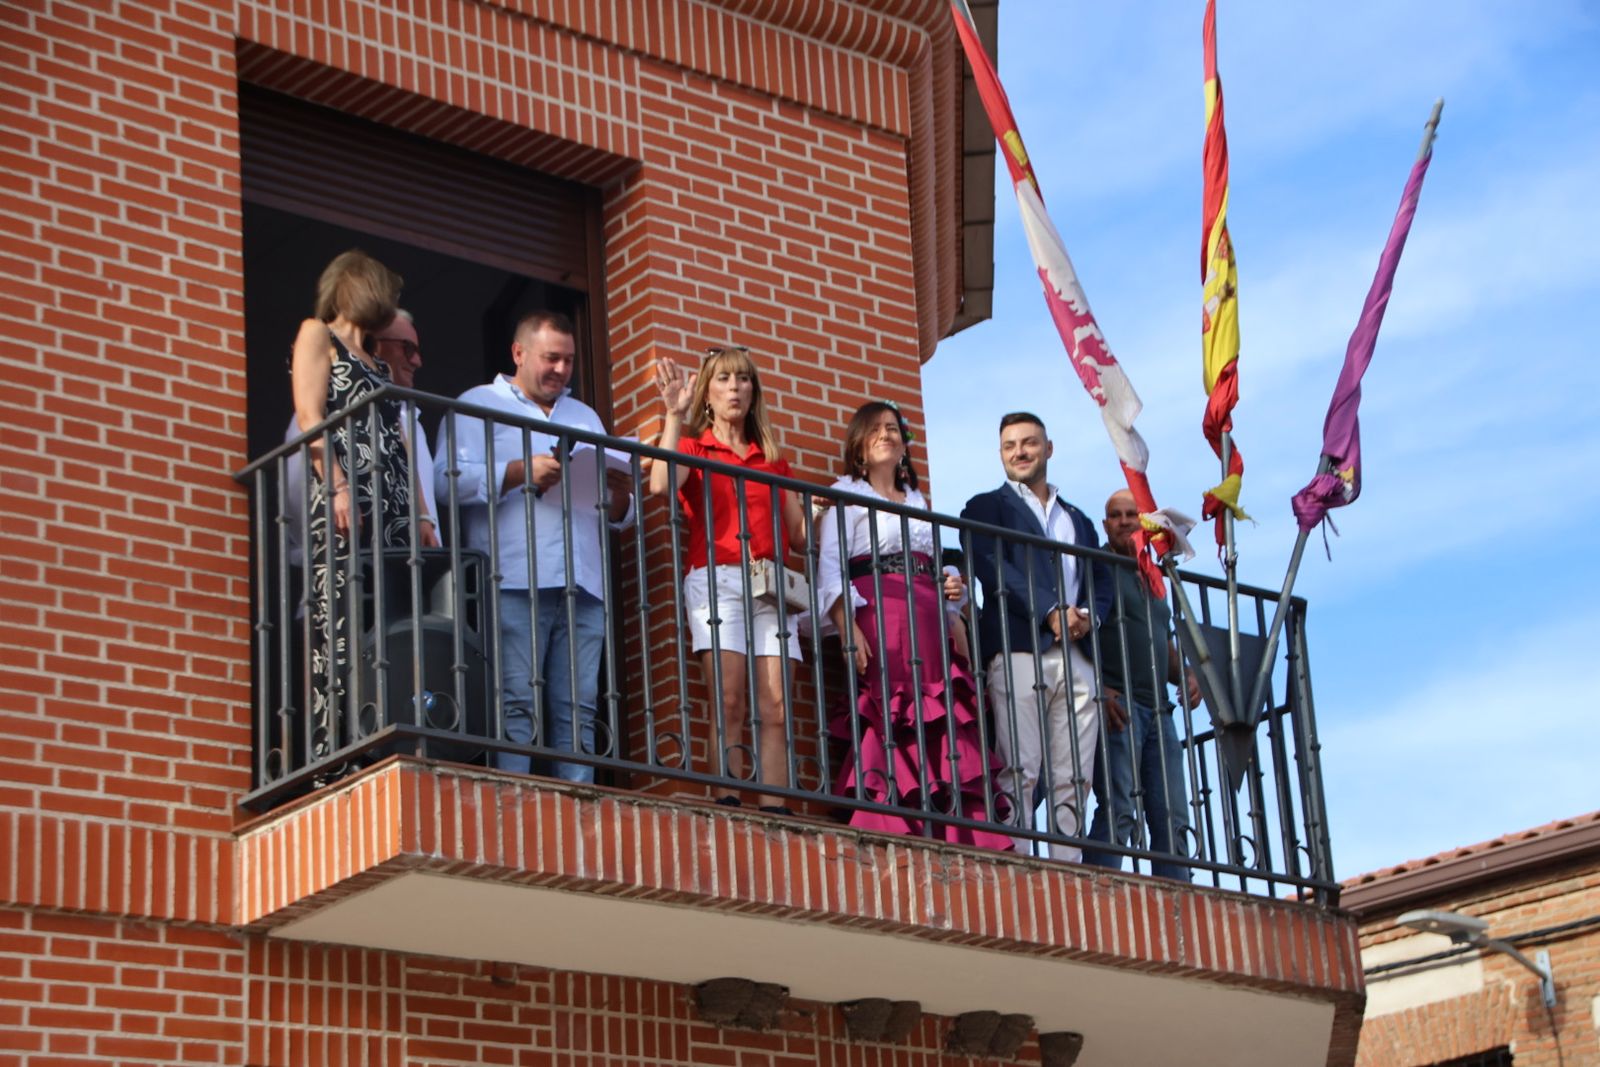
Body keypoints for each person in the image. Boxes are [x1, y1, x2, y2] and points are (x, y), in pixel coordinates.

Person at [435, 311, 634, 783]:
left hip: (583, 580)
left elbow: (615, 514)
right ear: (519, 353)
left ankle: (578, 808)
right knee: (516, 701)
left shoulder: (585, 416)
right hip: (513, 577)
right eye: (551, 358)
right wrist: (519, 472)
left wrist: (622, 493)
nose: (561, 371)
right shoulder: (475, 404)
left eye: (568, 361)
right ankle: (514, 803)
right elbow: (444, 482)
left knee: (580, 707)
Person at [817, 402, 1012, 850]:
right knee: (891, 704)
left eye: (893, 429)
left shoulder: (920, 501)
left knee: (940, 704)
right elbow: (830, 568)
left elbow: (935, 565)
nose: (887, 434)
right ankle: (893, 814)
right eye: (876, 429)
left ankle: (950, 824)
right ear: (860, 446)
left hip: (927, 608)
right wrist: (846, 625)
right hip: (879, 608)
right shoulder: (847, 493)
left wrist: (954, 604)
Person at [289, 250, 438, 763]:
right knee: (343, 619)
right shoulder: (317, 335)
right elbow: (310, 415)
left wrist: (420, 512)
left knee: (393, 620)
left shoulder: (376, 357)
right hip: (348, 498)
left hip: (393, 502)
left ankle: (384, 737)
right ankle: (337, 752)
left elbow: (398, 439)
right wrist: (336, 486)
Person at [649, 347, 806, 814]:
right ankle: (727, 799)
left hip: (770, 583)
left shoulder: (773, 460)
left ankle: (777, 809)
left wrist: (818, 514)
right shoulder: (695, 448)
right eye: (723, 380)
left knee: (776, 704)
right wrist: (673, 417)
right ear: (707, 394)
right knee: (730, 698)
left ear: (753, 392)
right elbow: (662, 483)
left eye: (742, 379)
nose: (734, 388)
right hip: (716, 579)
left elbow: (798, 536)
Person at [961, 412, 1112, 861]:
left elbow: (1100, 578)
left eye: (1028, 443)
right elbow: (993, 568)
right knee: (1020, 766)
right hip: (1017, 648)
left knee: (1075, 771)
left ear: (1049, 448)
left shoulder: (1078, 520)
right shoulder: (984, 508)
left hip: (1078, 653)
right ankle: (1018, 858)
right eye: (1009, 446)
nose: (1019, 452)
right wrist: (1049, 610)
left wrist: (1087, 616)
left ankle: (1067, 862)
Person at [1083, 490, 1201, 880]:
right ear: (1105, 525)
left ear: (1144, 522)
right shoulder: (1096, 568)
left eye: (1131, 514)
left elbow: (1160, 637)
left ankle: (1179, 906)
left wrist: (1185, 673)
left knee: (1173, 815)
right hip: (1121, 705)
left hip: (1160, 710)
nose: (1124, 521)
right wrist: (1098, 685)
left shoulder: (1153, 575)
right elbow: (1080, 631)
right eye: (1115, 515)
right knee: (1119, 809)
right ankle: (1098, 895)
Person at [284, 309, 436, 563]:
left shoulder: (411, 422)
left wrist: (423, 519)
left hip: (403, 559)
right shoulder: (317, 419)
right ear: (376, 344)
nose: (417, 361)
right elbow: (296, 493)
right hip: (348, 551)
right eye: (407, 348)